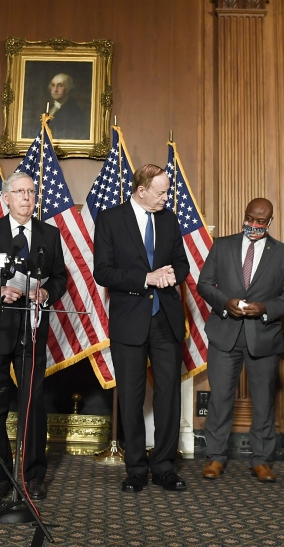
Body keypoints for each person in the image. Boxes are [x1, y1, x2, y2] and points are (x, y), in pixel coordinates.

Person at [0, 172, 67, 500]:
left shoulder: (50, 234)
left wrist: (46, 292)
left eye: (31, 192)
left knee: (32, 402)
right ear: (5, 198)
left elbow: (61, 277)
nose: (26, 197)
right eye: (19, 192)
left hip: (31, 329)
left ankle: (33, 474)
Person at [93, 164, 190, 493]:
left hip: (165, 319)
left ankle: (163, 466)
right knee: (132, 398)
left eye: (167, 191)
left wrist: (172, 275)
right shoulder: (110, 219)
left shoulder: (169, 218)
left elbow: (182, 262)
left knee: (168, 397)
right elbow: (103, 272)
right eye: (161, 192)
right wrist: (145, 278)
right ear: (141, 190)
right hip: (130, 320)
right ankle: (135, 468)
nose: (167, 197)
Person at [196, 198, 284, 483]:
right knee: (220, 399)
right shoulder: (222, 245)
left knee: (264, 402)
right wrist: (225, 302)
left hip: (264, 336)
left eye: (260, 221)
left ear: (270, 222)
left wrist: (265, 308)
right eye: (250, 217)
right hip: (225, 333)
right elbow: (204, 284)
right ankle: (215, 457)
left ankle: (261, 461)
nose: (253, 224)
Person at [45, 73, 90, 140]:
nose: (55, 89)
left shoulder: (76, 113)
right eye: (53, 85)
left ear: (68, 88)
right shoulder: (48, 109)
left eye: (60, 85)